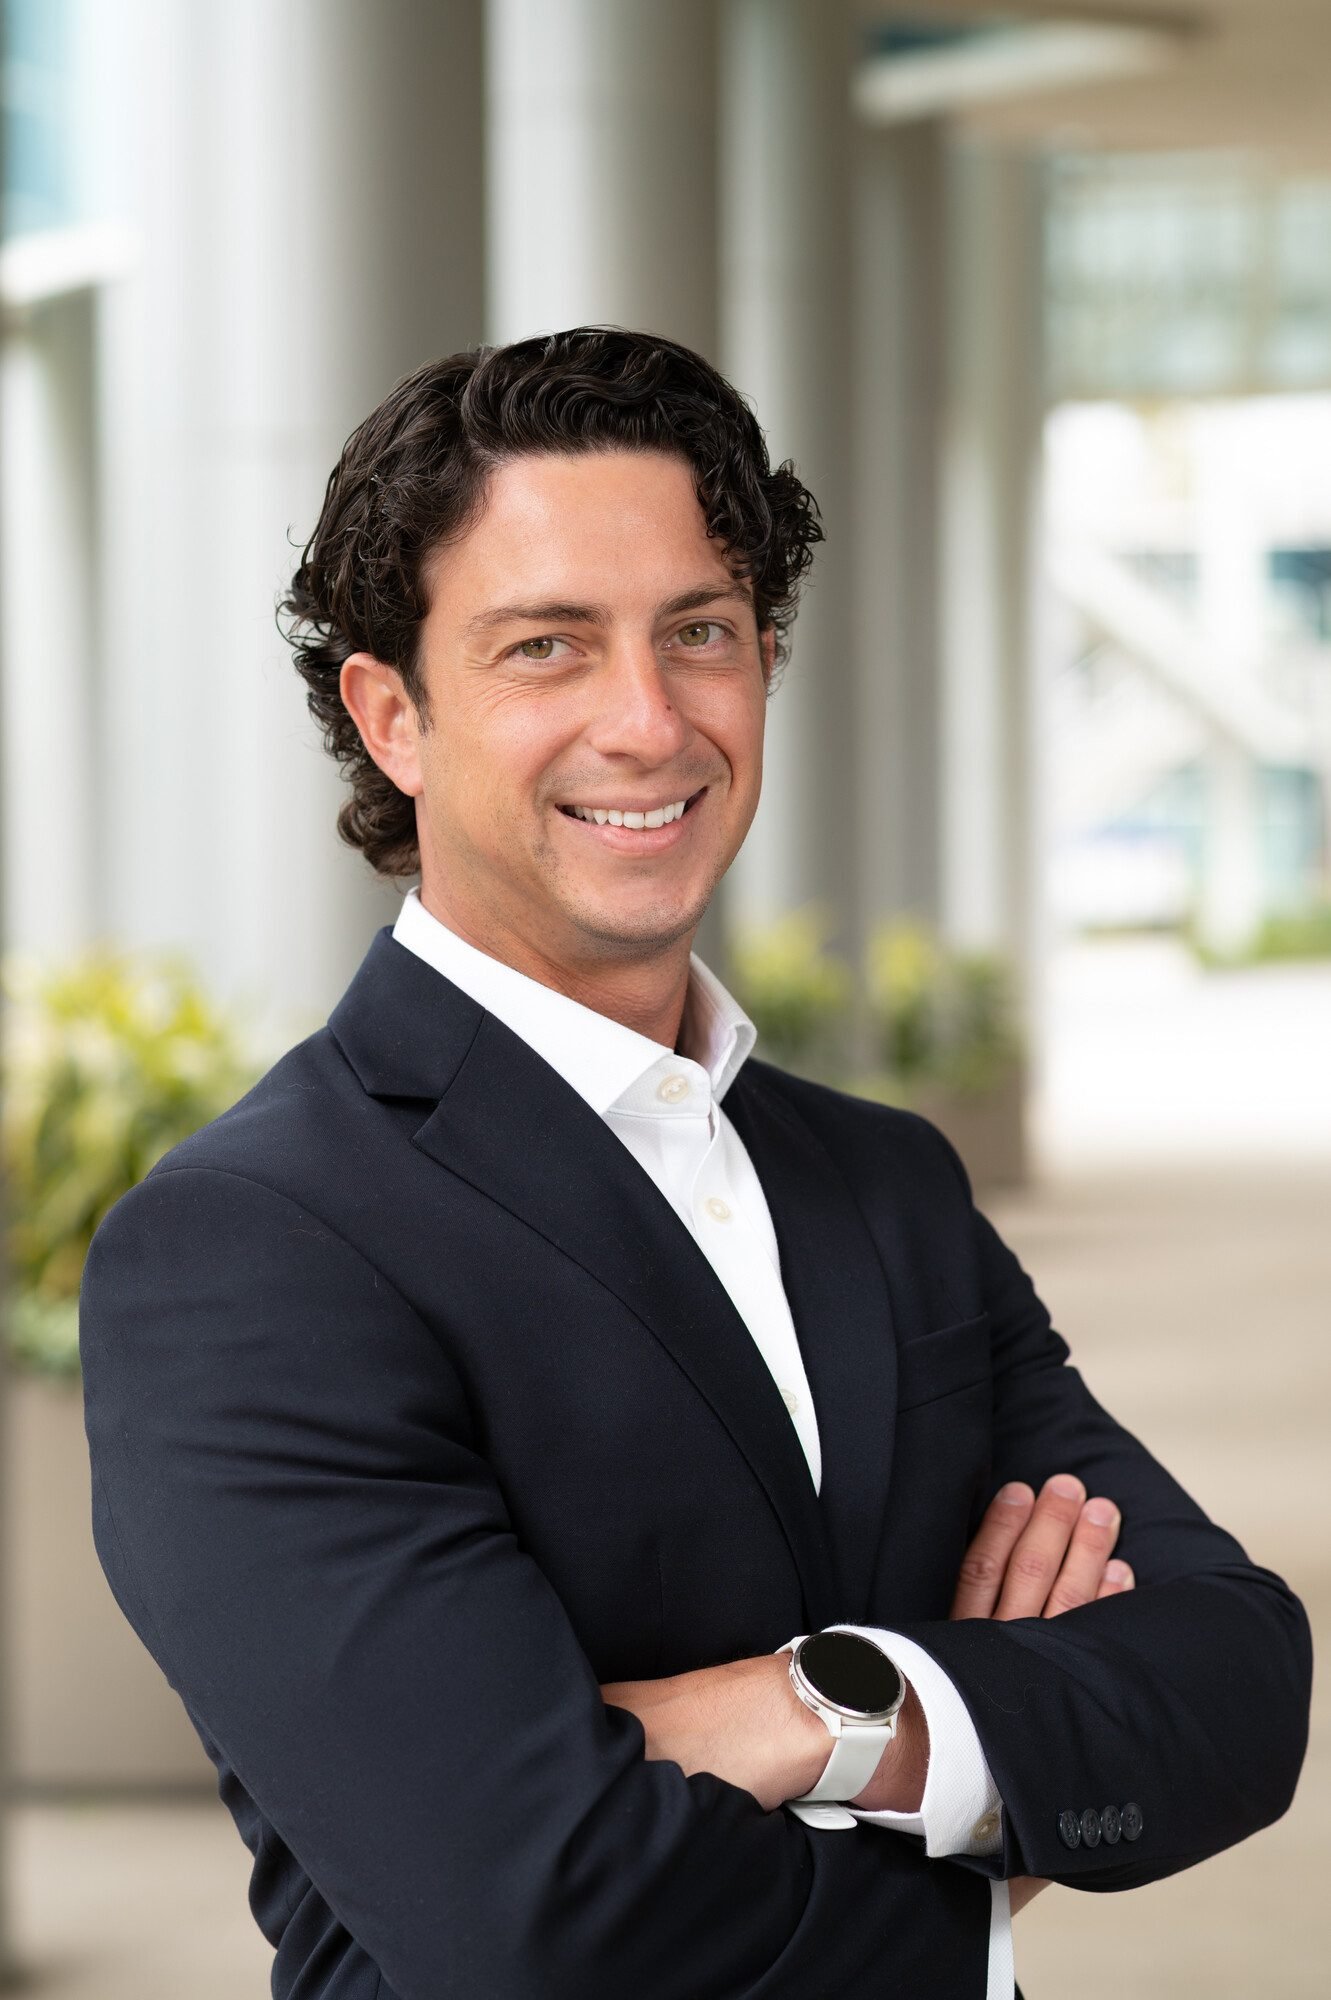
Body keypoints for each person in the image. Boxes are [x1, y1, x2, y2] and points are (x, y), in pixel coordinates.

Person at [78, 327, 1311, 2000]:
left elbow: (1235, 1685)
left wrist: (813, 1715)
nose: (648, 722)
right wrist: (979, 1800)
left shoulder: (885, 1184)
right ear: (395, 716)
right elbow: (530, 1905)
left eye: (700, 634)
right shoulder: (254, 1246)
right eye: (547, 648)